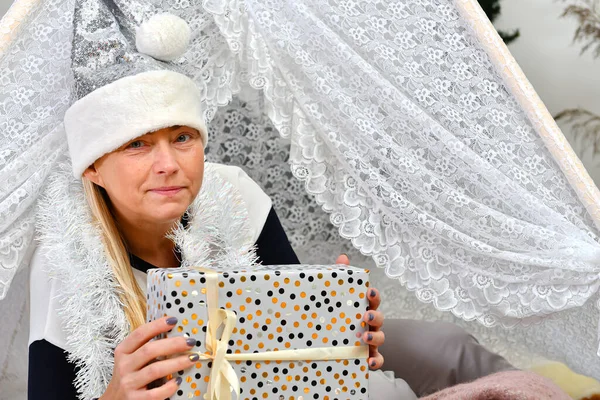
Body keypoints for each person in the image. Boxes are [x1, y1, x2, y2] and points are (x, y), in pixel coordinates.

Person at [25, 2, 520, 400]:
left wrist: (340, 325)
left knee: (446, 345)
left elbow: (293, 332)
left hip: (277, 368)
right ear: (92, 167)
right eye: (137, 144)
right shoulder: (66, 261)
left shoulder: (232, 192)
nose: (168, 164)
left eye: (182, 138)